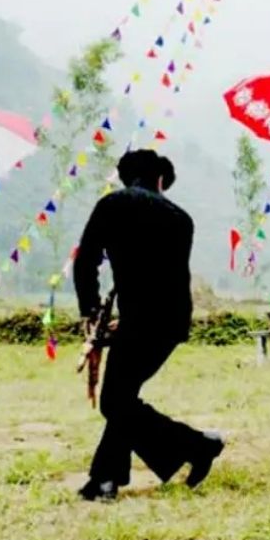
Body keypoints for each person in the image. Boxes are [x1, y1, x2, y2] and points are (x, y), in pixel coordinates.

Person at [72, 149, 224, 502]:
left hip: (137, 319)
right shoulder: (182, 219)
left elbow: (86, 263)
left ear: (127, 177)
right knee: (122, 398)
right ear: (160, 180)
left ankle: (200, 445)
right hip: (172, 321)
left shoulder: (112, 205)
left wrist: (91, 309)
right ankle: (105, 480)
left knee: (114, 401)